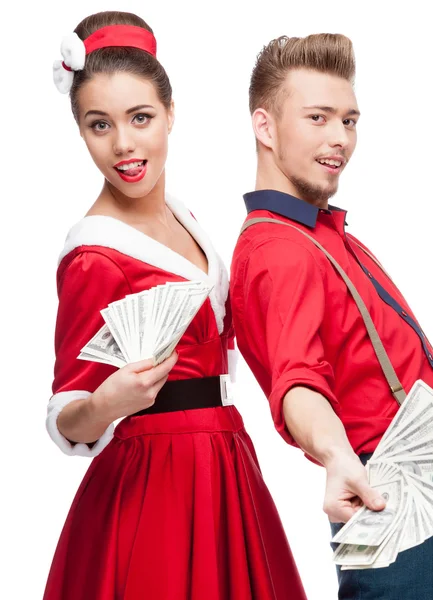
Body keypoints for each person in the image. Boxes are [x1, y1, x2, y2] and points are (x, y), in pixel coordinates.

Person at [230, 33, 433, 599]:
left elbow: (425, 366)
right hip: (389, 500)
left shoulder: (331, 233)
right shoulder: (274, 252)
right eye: (318, 118)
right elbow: (296, 382)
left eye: (349, 120)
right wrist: (334, 455)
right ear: (265, 127)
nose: (340, 139)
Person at [44, 12, 306, 600]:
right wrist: (108, 403)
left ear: (170, 114)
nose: (124, 145)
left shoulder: (186, 218)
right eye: (98, 125)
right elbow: (65, 412)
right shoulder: (93, 254)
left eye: (140, 118)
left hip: (226, 461)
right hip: (152, 484)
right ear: (80, 132)